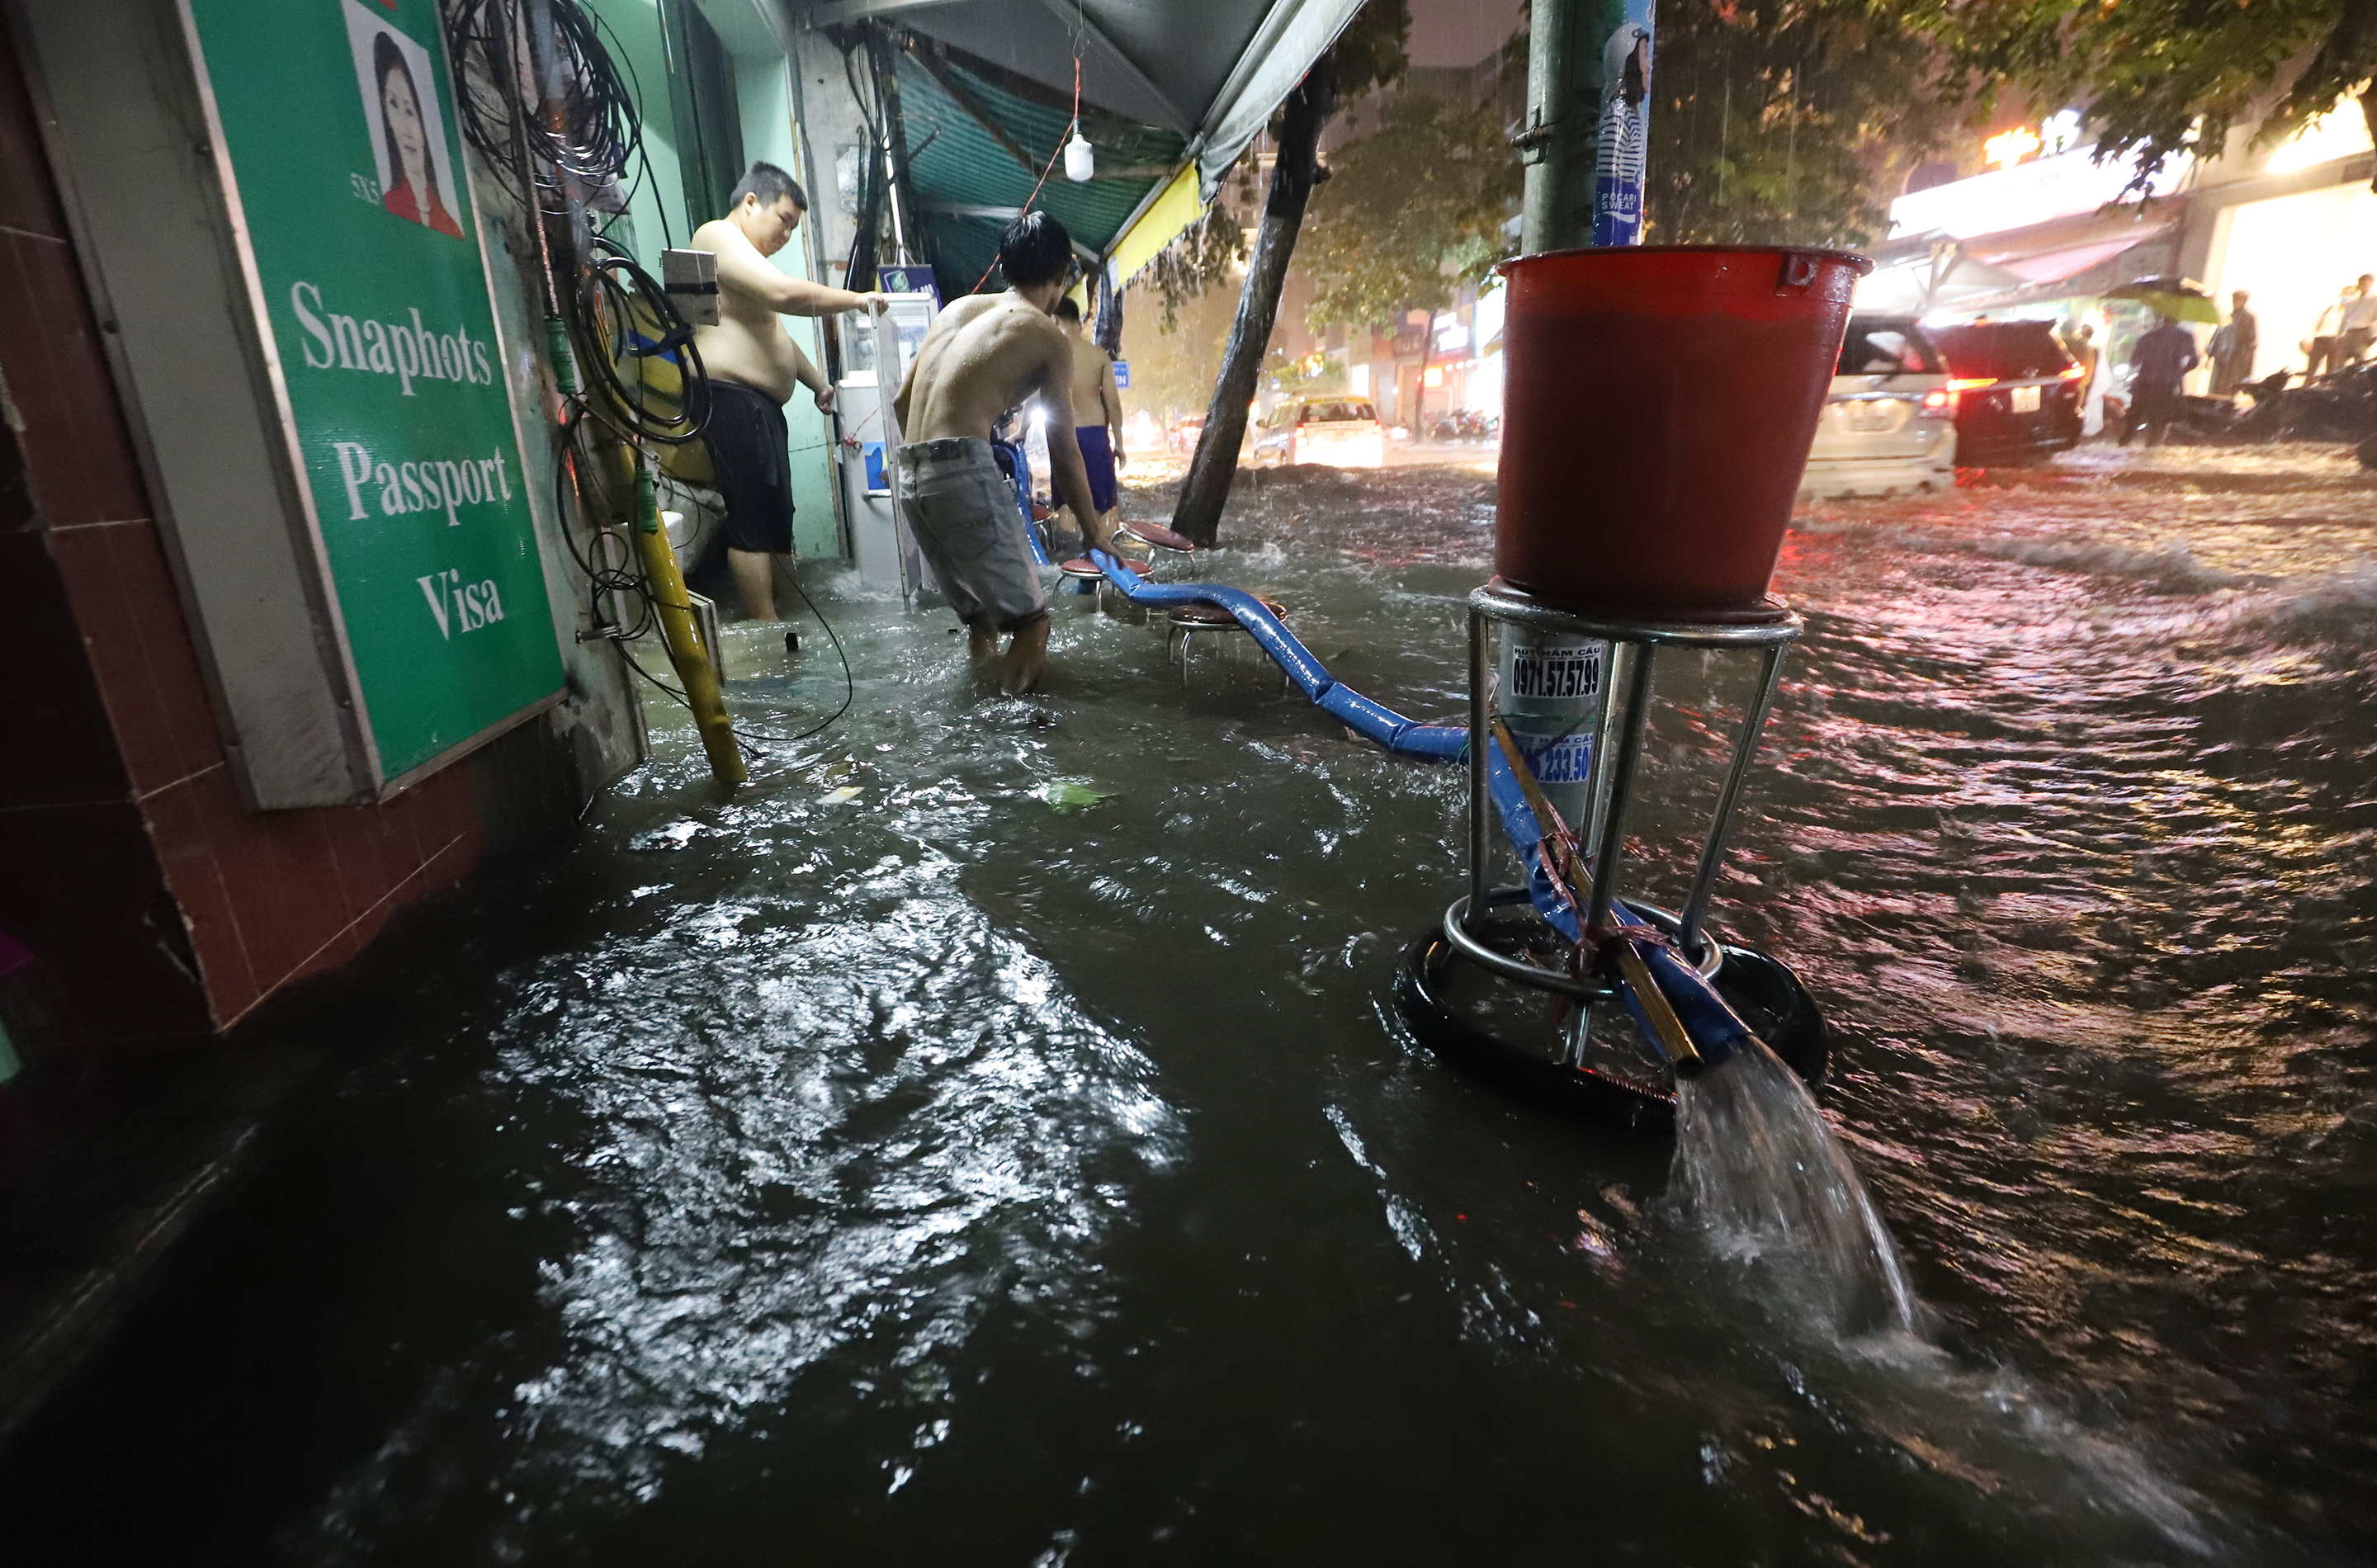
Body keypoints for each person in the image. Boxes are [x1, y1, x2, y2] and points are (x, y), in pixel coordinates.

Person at [891, 211, 1104, 696]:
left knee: (983, 620)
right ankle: (1008, 745)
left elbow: (902, 401)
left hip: (909, 475)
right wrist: (1094, 534)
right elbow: (1064, 447)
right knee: (1032, 623)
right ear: (1061, 275)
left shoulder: (955, 311)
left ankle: (976, 708)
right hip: (959, 468)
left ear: (1004, 265)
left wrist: (932, 471)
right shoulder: (1049, 337)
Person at [690, 163, 886, 621]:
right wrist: (856, 300)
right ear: (752, 202)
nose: (786, 235)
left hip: (757, 404)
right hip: (730, 397)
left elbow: (773, 332)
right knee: (753, 518)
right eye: (784, 221)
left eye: (794, 228)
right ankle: (765, 625)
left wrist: (817, 382)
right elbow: (781, 296)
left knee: (777, 517)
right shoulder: (716, 234)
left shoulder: (746, 260)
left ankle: (789, 615)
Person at [1051, 295, 1124, 549]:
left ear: (1055, 320)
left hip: (1064, 436)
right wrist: (1120, 443)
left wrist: (1023, 433)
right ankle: (1104, 565)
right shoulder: (1098, 355)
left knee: (1066, 505)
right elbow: (1113, 403)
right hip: (1095, 435)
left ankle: (1070, 565)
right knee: (1104, 507)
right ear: (1078, 322)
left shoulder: (1051, 354)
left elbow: (1036, 399)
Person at [373, 35, 463, 239]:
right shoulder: (388, 203)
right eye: (394, 104)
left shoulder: (450, 226)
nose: (405, 129)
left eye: (411, 110)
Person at [2126, 313, 2199, 447]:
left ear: (2162, 320)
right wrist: (2179, 372)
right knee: (2159, 421)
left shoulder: (2148, 337)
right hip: (2168, 385)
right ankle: (2151, 451)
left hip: (2145, 383)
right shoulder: (2185, 337)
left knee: (2133, 420)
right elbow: (2194, 361)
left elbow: (2134, 361)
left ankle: (2124, 444)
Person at [2207, 290, 2257, 397]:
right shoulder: (2228, 317)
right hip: (2224, 359)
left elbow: (2252, 341)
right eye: (2234, 299)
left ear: (2244, 301)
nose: (2235, 302)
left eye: (2238, 299)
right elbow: (2218, 336)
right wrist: (2210, 356)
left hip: (2237, 359)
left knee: (2231, 388)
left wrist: (2246, 356)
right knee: (2218, 387)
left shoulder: (2249, 318)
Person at [2303, 285, 2356, 377]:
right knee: (2311, 370)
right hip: (2320, 340)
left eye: (2350, 294)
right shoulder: (2331, 308)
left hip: (2337, 341)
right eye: (2345, 293)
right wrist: (2309, 339)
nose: (2346, 296)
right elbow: (2315, 324)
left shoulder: (2353, 312)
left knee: (2332, 372)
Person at [2340, 274, 2377, 366]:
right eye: (2362, 281)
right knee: (2341, 359)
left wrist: (2374, 334)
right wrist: (2340, 334)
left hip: (2363, 332)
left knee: (2359, 360)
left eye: (2367, 282)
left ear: (2371, 283)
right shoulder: (2352, 301)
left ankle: (2358, 380)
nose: (2363, 284)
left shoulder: (2374, 299)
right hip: (2349, 332)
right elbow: (2345, 318)